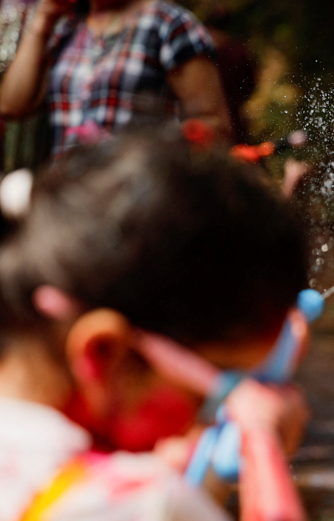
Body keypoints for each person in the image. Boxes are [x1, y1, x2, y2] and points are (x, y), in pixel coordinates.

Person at [0, 126, 308, 519]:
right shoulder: (140, 503)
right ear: (104, 354)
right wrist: (262, 442)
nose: (207, 424)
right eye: (211, 397)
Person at [0, 0, 231, 159]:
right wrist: (43, 19)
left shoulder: (168, 23)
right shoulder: (67, 28)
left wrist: (141, 154)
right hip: (69, 201)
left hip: (138, 200)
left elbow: (214, 125)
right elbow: (10, 105)